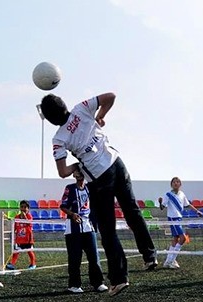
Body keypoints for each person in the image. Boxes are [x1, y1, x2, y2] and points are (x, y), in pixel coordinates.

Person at [39, 92, 157, 296]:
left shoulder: (59, 139)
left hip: (99, 179)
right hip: (117, 164)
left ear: (49, 120)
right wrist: (100, 115)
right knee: (132, 211)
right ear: (64, 104)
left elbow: (62, 172)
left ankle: (119, 279)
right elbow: (111, 96)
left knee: (108, 230)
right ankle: (150, 255)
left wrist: (77, 164)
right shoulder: (80, 108)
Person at [59, 170, 108, 294]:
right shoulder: (69, 188)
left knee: (94, 257)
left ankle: (98, 283)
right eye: (77, 172)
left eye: (81, 172)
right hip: (73, 229)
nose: (79, 174)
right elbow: (63, 206)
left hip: (88, 227)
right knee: (75, 259)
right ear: (74, 175)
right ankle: (74, 285)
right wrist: (72, 214)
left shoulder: (89, 188)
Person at [157, 177, 203, 269]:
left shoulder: (182, 194)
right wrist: (160, 203)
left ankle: (169, 260)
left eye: (177, 182)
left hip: (179, 218)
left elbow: (188, 204)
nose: (176, 183)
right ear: (171, 184)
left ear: (180, 184)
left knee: (176, 238)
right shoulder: (168, 194)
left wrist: (197, 211)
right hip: (172, 219)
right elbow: (162, 207)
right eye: (174, 182)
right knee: (183, 238)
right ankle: (171, 260)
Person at [5, 200, 37, 270]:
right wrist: (12, 234)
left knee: (29, 251)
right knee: (16, 252)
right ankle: (12, 264)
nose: (23, 209)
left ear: (28, 208)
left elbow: (29, 224)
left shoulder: (29, 216)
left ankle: (33, 264)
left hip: (27, 238)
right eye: (22, 207)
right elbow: (15, 227)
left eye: (25, 207)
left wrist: (25, 217)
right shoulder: (17, 217)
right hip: (19, 239)